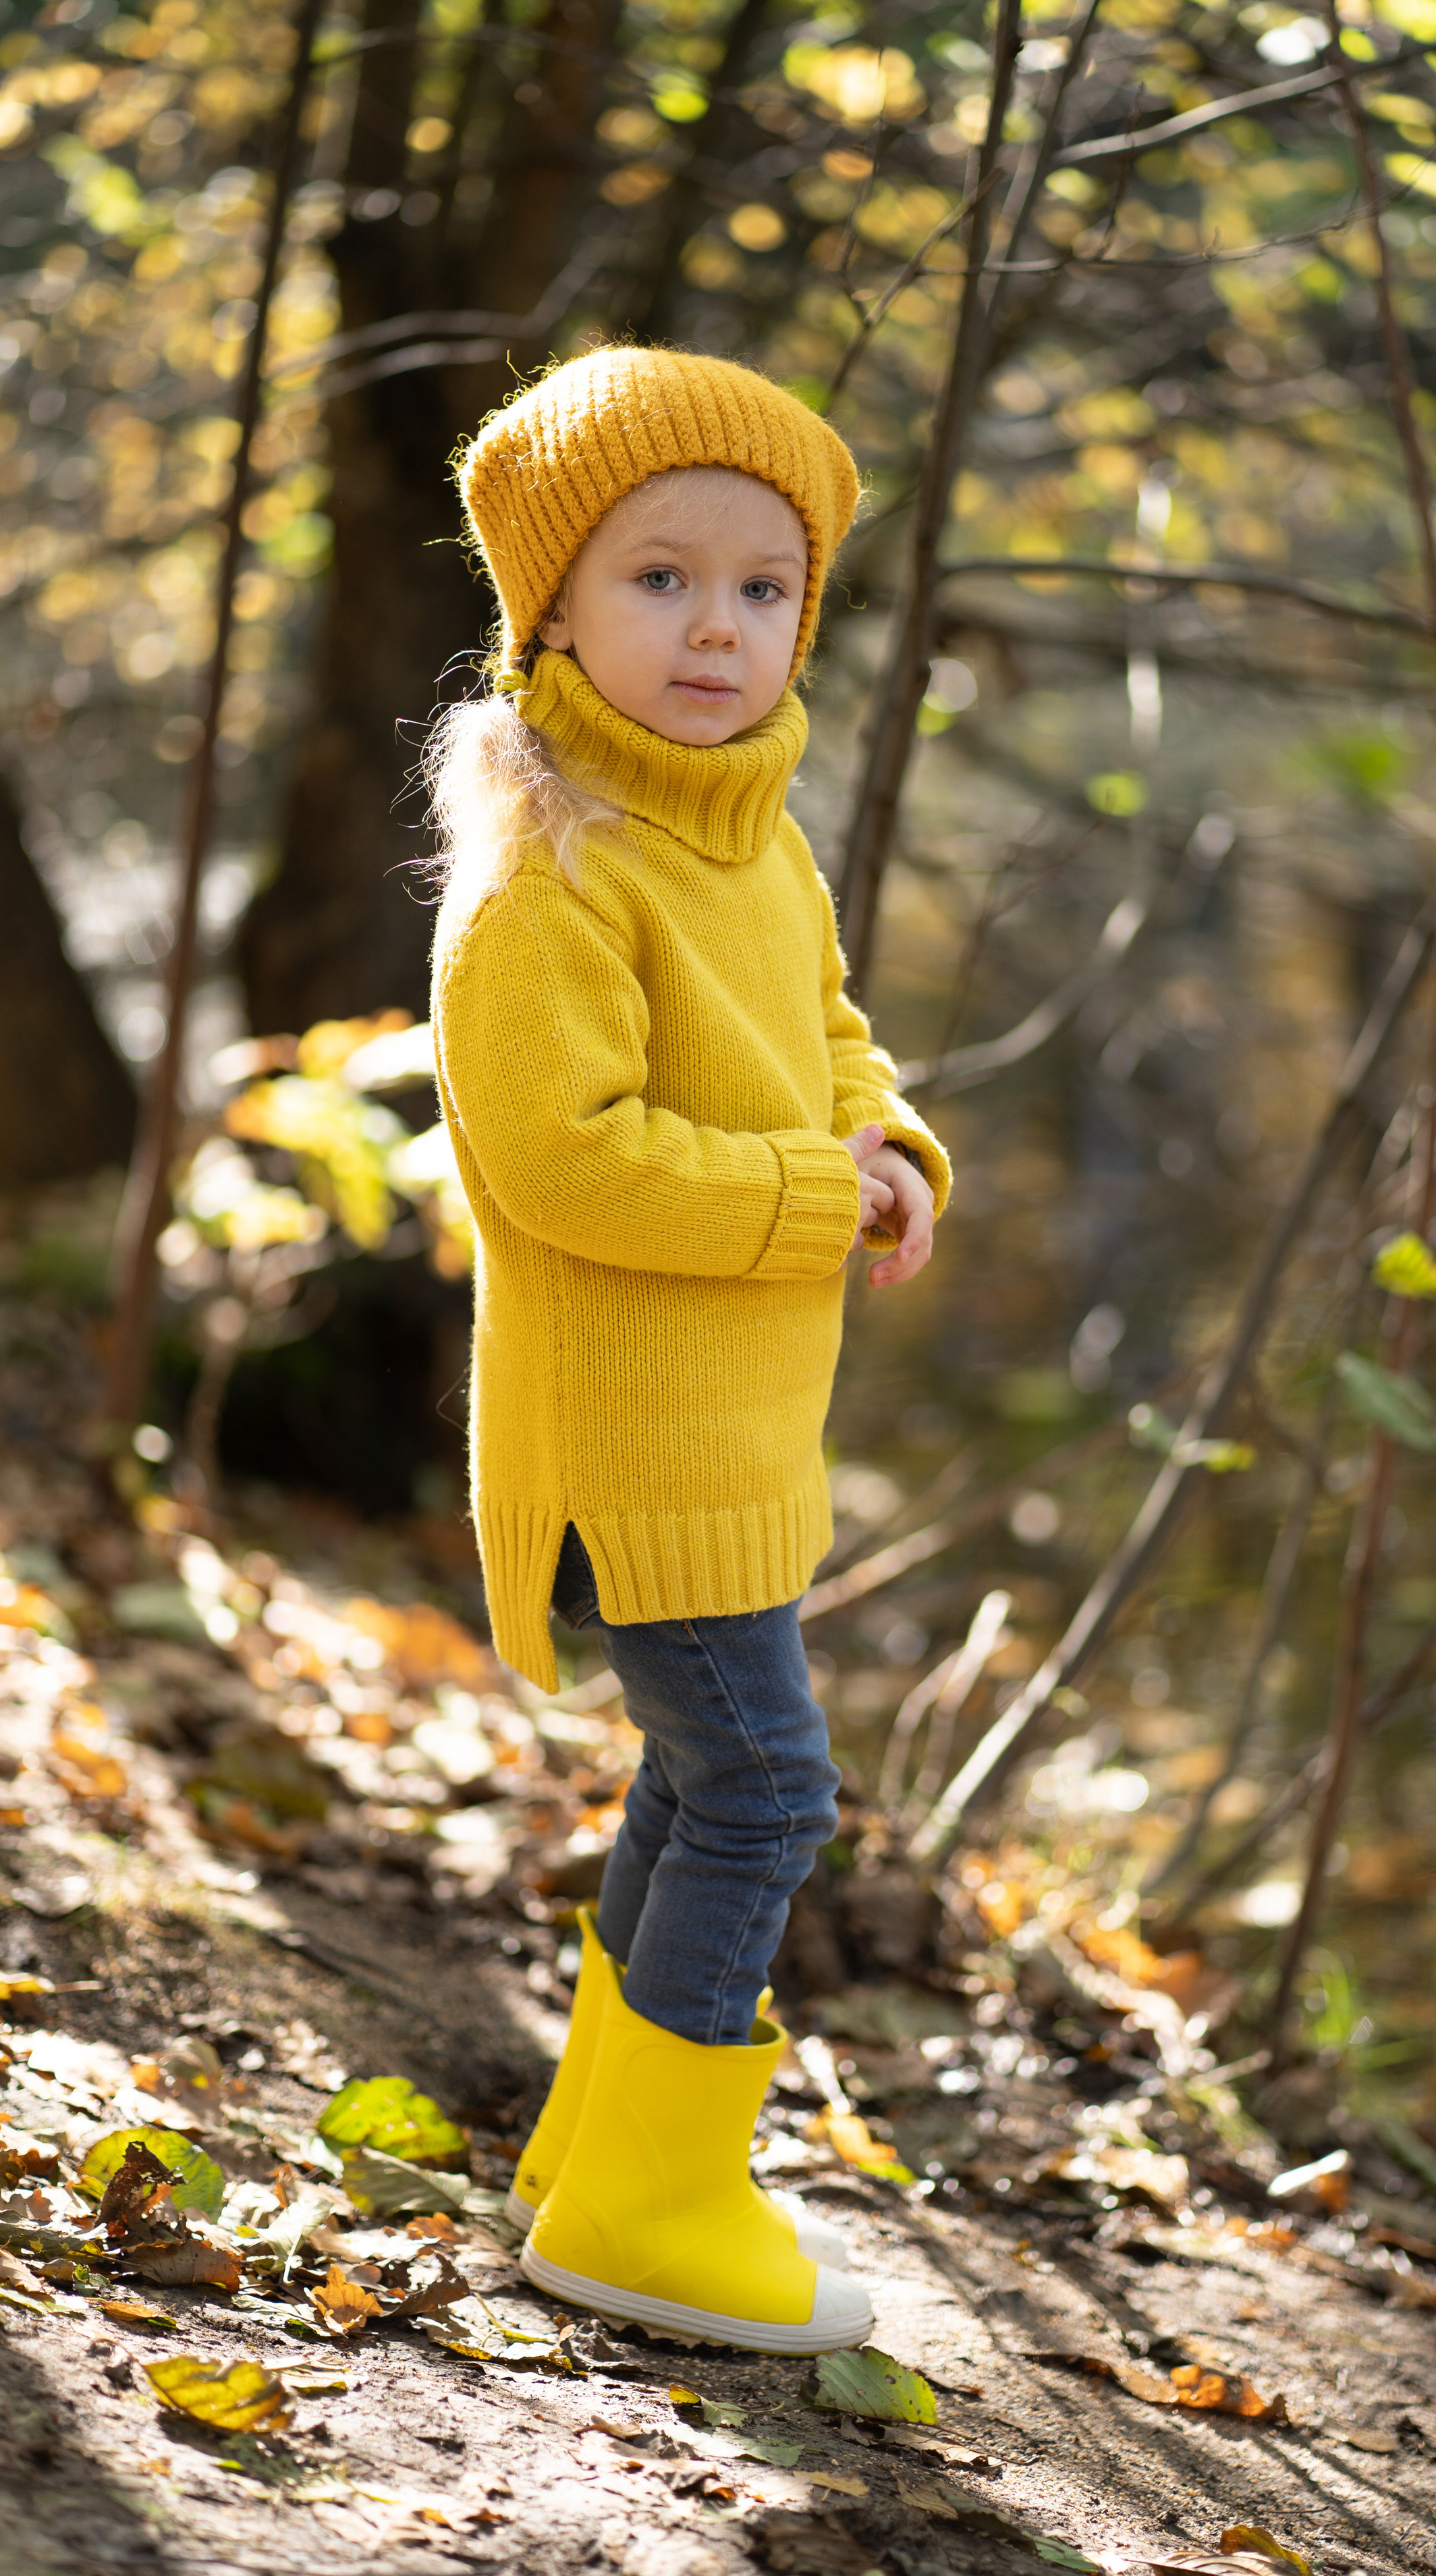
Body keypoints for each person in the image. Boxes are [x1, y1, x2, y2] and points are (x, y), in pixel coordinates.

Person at [429, 346, 951, 2355]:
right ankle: (651, 2204)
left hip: (739, 1429)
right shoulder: (554, 869)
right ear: (553, 608)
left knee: (697, 1774)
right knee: (764, 1788)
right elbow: (568, 1164)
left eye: (763, 587)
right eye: (660, 579)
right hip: (630, 1436)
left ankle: (593, 2155)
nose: (717, 626)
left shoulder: (755, 837)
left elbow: (828, 1038)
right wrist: (816, 1199)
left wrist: (890, 1143)